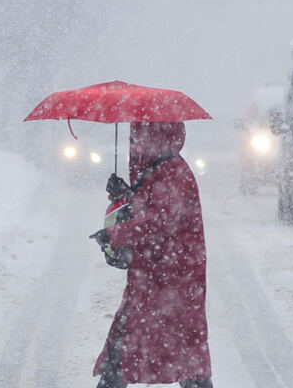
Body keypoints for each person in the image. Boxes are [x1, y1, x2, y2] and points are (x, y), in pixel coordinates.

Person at [90, 121, 213, 388]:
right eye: (132, 138)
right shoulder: (159, 169)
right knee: (180, 354)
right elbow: (152, 209)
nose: (134, 144)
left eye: (139, 137)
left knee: (181, 353)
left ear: (158, 137)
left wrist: (117, 234)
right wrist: (125, 195)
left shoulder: (173, 172)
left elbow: (159, 220)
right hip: (157, 278)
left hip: (171, 280)